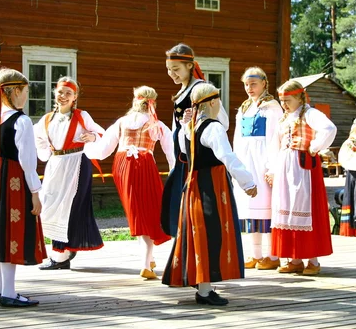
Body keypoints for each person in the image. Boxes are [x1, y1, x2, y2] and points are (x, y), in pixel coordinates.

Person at [162, 83, 257, 306]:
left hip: (193, 184)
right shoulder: (213, 128)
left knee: (198, 233)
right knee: (212, 234)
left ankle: (202, 285)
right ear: (214, 102)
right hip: (212, 187)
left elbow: (185, 153)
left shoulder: (188, 128)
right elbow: (227, 156)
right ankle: (204, 291)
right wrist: (248, 182)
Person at [85, 86, 173, 279]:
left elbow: (103, 150)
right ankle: (145, 265)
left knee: (137, 211)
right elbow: (171, 151)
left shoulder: (122, 122)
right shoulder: (155, 124)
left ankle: (148, 259)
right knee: (150, 212)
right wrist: (175, 172)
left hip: (122, 166)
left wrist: (86, 146)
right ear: (153, 102)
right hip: (143, 165)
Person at [0, 69, 46, 307]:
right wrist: (35, 193)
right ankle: (8, 293)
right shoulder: (22, 121)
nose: (26, 97)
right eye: (26, 92)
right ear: (15, 91)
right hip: (16, 182)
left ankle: (3, 290)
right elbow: (28, 161)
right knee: (12, 234)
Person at [265, 80, 337, 276]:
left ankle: (312, 260)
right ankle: (295, 259)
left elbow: (329, 129)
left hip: (303, 167)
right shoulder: (284, 118)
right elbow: (274, 145)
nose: (284, 105)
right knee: (287, 210)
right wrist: (272, 168)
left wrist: (314, 147)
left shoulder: (310, 113)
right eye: (281, 101)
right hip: (284, 167)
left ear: (299, 97)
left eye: (287, 100)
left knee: (305, 209)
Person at [34, 77, 105, 269]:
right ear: (54, 93)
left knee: (67, 207)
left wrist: (92, 137)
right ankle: (64, 250)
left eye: (68, 93)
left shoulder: (82, 116)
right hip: (56, 165)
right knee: (50, 205)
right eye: (61, 92)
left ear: (75, 97)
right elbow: (37, 138)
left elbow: (103, 135)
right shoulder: (47, 118)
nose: (63, 96)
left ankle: (60, 256)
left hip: (77, 165)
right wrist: (45, 152)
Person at [161, 43, 229, 236]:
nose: (171, 74)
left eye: (176, 69)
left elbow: (222, 121)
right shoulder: (182, 91)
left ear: (190, 66)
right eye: (168, 70)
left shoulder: (201, 89)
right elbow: (177, 127)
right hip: (183, 157)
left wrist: (198, 123)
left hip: (197, 159)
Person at [232, 67, 283, 270]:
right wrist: (236, 165)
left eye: (253, 84)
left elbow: (274, 139)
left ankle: (272, 255)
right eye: (246, 84)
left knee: (266, 206)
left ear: (264, 83)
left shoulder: (272, 108)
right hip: (246, 160)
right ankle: (255, 254)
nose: (249, 88)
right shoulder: (245, 108)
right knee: (249, 207)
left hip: (263, 161)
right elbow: (237, 138)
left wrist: (272, 166)